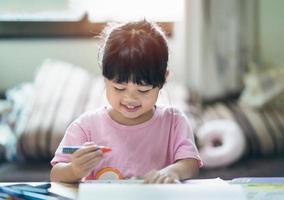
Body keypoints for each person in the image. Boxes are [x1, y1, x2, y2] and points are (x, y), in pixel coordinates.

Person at [50, 20, 202, 183]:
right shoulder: (86, 127)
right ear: (105, 77)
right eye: (119, 88)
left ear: (163, 79)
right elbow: (55, 175)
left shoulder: (174, 121)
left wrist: (172, 172)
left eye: (143, 91)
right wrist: (74, 170)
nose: (130, 99)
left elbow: (191, 163)